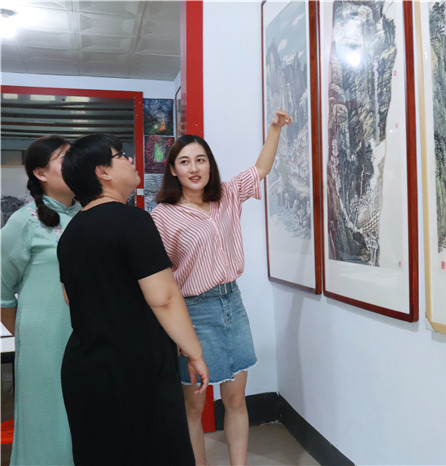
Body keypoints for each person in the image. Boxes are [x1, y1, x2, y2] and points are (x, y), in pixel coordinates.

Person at [57, 133, 209, 466]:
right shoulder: (133, 220)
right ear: (103, 172)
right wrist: (195, 351)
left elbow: (70, 297)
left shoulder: (70, 233)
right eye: (121, 155)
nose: (130, 160)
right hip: (136, 370)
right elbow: (164, 298)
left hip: (84, 369)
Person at [151, 110, 293, 465]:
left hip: (232, 304)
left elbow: (260, 169)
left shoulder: (227, 195)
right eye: (185, 162)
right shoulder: (163, 215)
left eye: (201, 159)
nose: (194, 168)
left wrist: (275, 129)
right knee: (194, 406)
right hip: (192, 312)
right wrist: (176, 332)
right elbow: (162, 276)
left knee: (235, 399)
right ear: (173, 170)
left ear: (210, 165)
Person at [1, 135, 80, 466]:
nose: (75, 164)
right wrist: (30, 334)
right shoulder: (25, 221)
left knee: (84, 420)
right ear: (40, 173)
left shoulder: (88, 214)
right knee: (46, 420)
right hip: (43, 341)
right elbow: (2, 292)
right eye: (64, 158)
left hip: (88, 337)